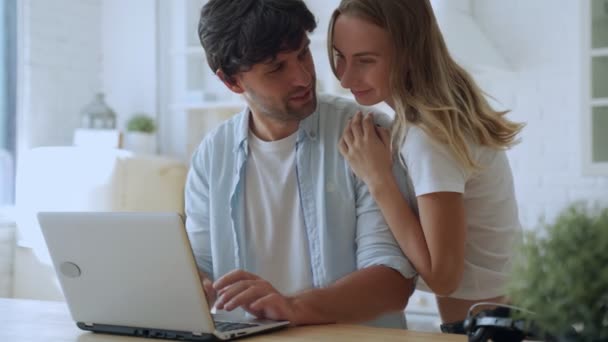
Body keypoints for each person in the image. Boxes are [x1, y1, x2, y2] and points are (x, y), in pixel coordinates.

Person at [185, 0, 417, 328]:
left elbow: (393, 282)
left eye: (303, 53)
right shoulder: (211, 156)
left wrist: (293, 307)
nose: (303, 76)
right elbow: (200, 265)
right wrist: (196, 284)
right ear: (232, 82)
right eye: (277, 67)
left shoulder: (366, 134)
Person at [328, 0, 525, 332]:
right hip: (505, 316)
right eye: (339, 57)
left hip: (491, 329)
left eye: (365, 60)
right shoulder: (434, 119)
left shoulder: (428, 136)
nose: (346, 78)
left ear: (409, 55)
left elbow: (443, 276)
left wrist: (378, 178)